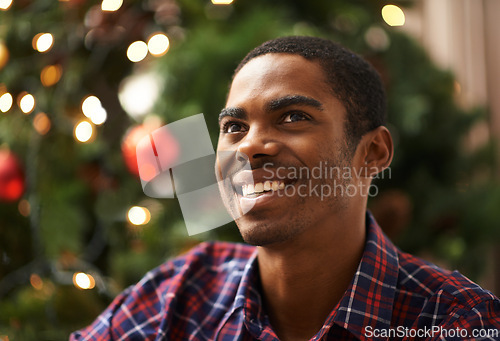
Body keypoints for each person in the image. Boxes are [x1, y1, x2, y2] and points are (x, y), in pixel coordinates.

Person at [71, 36, 500, 340]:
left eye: (294, 117)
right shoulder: (178, 295)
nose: (251, 146)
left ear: (372, 152)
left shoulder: (454, 320)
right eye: (234, 127)